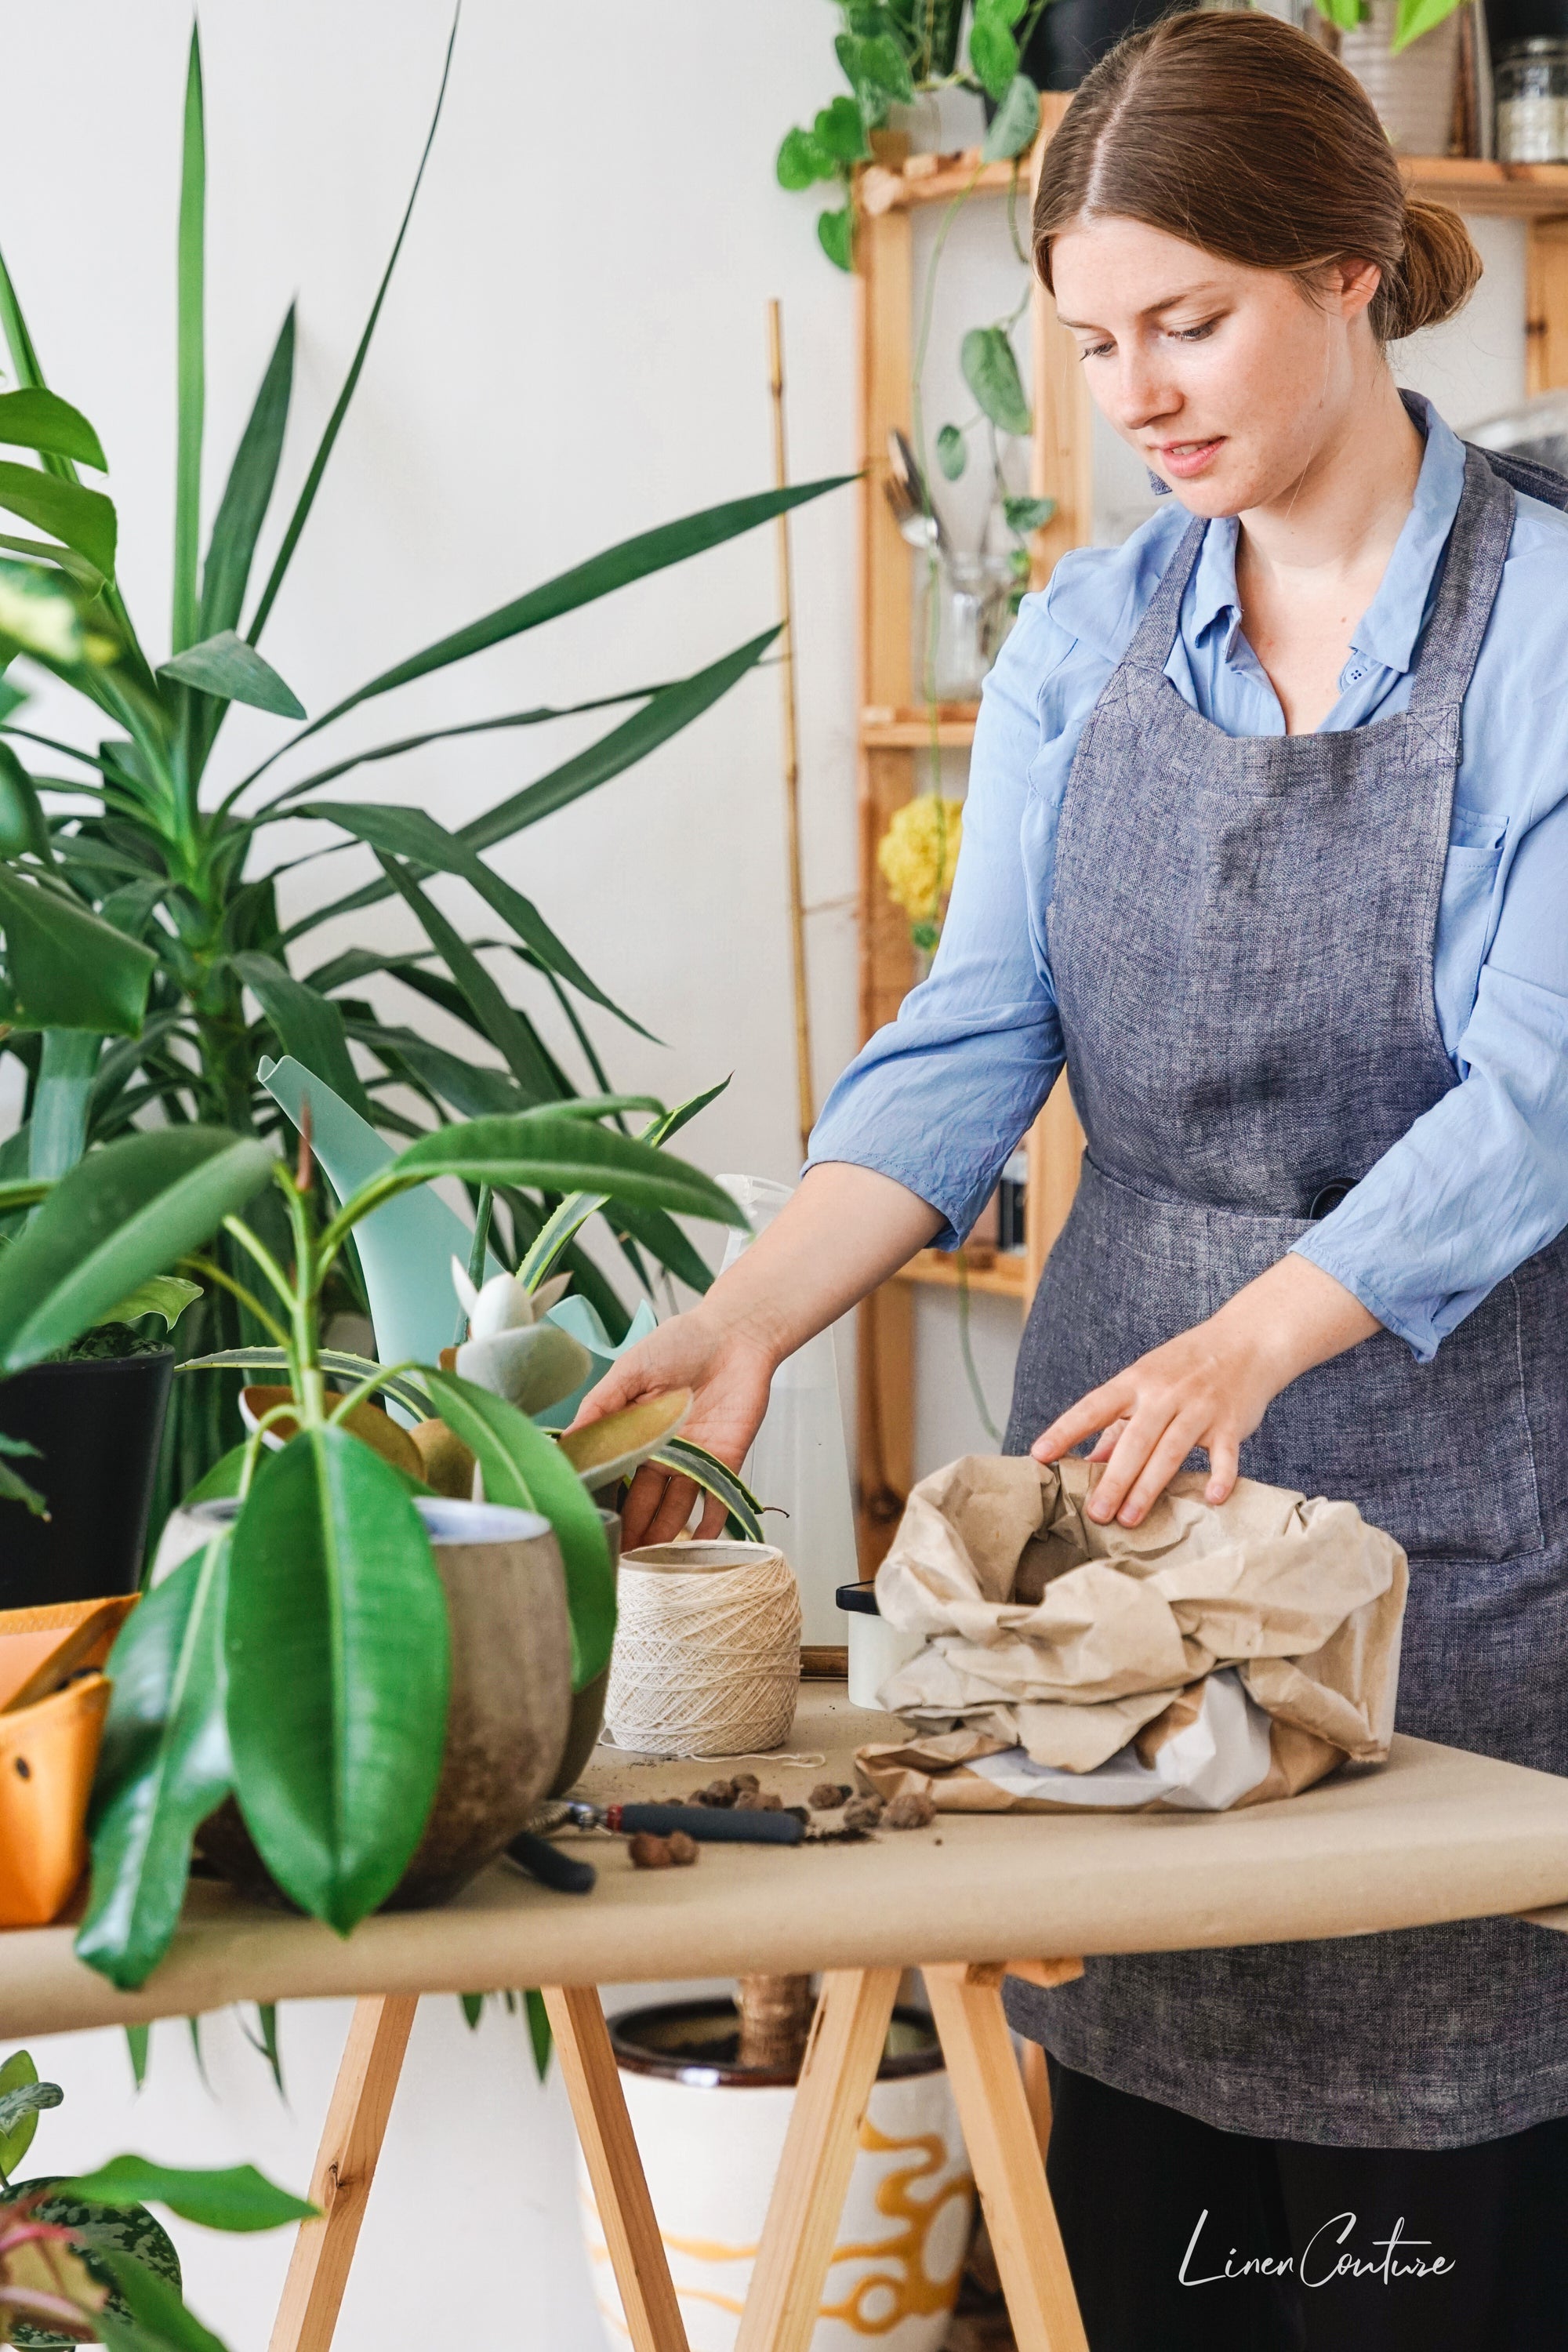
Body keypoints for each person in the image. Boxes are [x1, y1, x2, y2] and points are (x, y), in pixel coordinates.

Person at [575, 13, 1568, 2343]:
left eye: (1191, 321)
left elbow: (1540, 1090)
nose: (1139, 394)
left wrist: (1261, 1331)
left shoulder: (1545, 623)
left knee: (1441, 2235)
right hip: (1119, 1573)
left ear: (1350, 269)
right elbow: (972, 1035)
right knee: (1139, 2222)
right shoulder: (1087, 634)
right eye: (1094, 339)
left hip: (1478, 1559)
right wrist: (753, 1314)